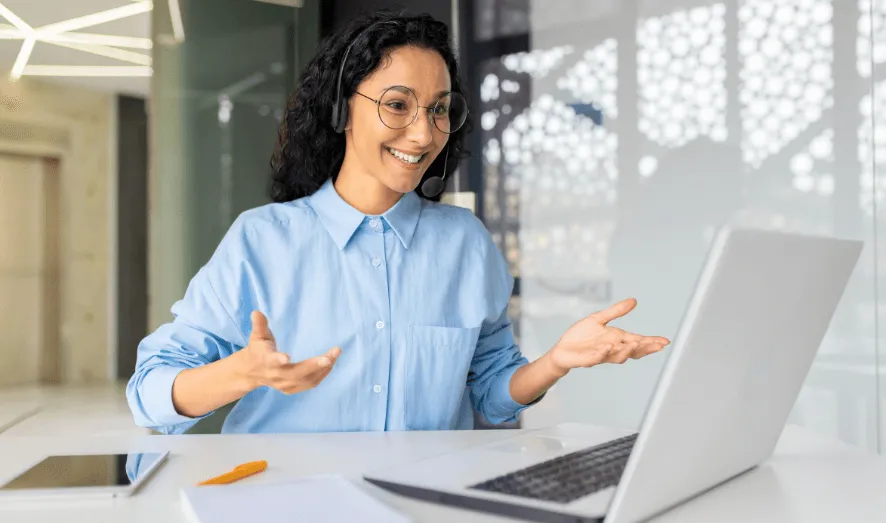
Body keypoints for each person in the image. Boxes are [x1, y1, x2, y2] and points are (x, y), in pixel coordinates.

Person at [126, 11, 670, 435]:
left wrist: (555, 362)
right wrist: (241, 373)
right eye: (397, 104)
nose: (422, 134)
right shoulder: (261, 241)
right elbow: (149, 394)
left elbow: (491, 393)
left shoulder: (465, 244)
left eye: (438, 109)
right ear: (343, 109)